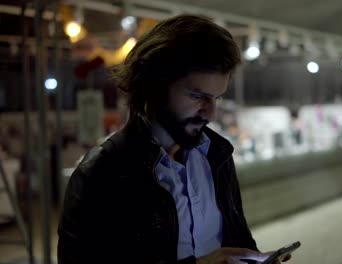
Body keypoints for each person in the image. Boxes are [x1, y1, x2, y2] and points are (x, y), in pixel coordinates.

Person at [58, 15, 291, 264]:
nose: (211, 113)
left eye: (217, 98)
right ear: (154, 85)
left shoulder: (217, 155)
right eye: (196, 95)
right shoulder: (102, 173)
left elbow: (238, 243)